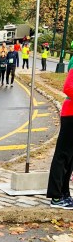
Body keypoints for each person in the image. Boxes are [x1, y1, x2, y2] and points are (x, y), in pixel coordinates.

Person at [46, 57, 73, 209]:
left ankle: (65, 193)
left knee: (70, 158)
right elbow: (68, 87)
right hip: (70, 115)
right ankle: (56, 197)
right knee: (62, 155)